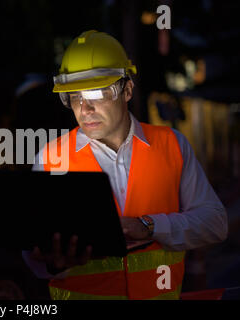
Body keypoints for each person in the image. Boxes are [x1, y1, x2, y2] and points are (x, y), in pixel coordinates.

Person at [23, 30, 228, 300]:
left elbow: (215, 223)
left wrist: (150, 226)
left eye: (96, 93)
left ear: (127, 90)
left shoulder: (172, 145)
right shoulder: (51, 158)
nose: (85, 109)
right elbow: (31, 254)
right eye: (75, 97)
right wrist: (52, 263)